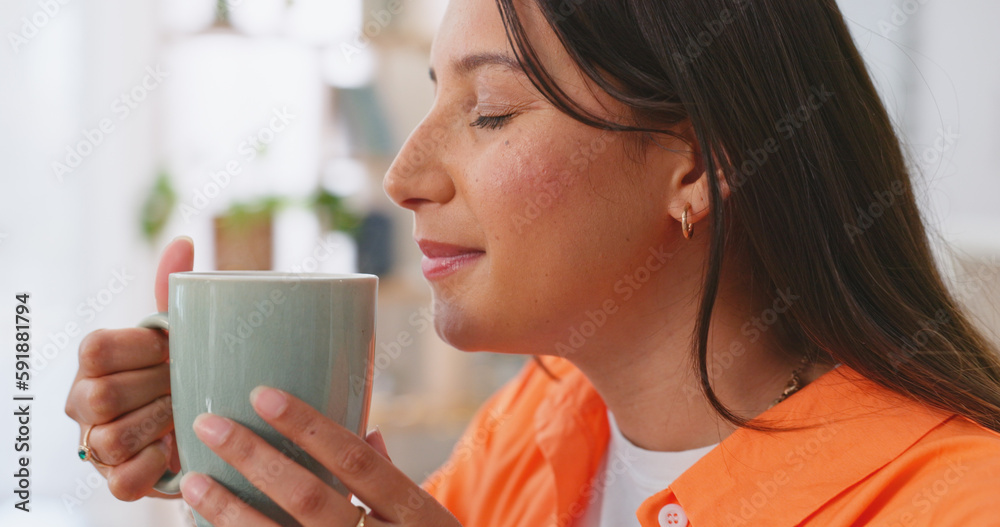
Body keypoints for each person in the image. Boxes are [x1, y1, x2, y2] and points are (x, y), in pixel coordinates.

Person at [65, 0, 1000, 525]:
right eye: (432, 99)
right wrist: (210, 410)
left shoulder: (957, 502)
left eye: (491, 112)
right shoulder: (543, 422)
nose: (403, 176)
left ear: (696, 164)